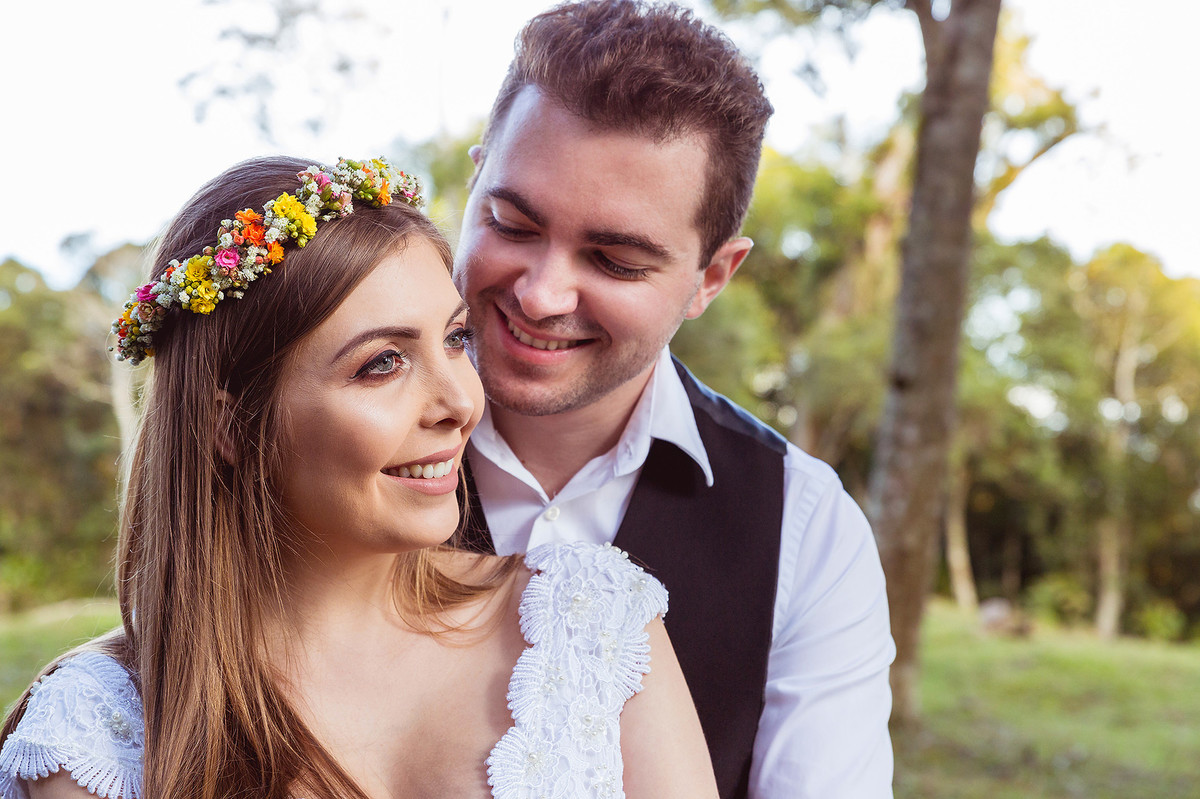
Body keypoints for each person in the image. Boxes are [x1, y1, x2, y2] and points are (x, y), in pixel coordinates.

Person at [0, 156, 718, 799]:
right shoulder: (96, 734)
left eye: (454, 338)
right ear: (230, 426)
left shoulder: (593, 625)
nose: (462, 402)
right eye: (382, 363)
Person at [453, 2, 896, 797]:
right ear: (475, 178)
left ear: (712, 278)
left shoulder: (807, 530)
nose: (543, 292)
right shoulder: (323, 436)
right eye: (511, 222)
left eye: (615, 260)